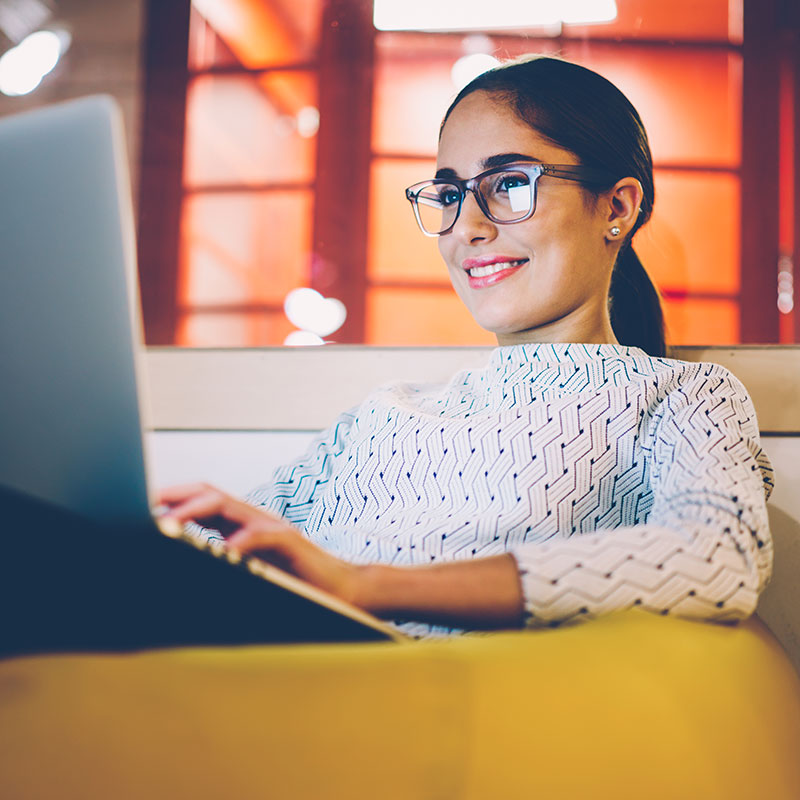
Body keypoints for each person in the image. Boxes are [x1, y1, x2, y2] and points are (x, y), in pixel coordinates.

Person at [158, 56, 774, 636]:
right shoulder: (383, 418)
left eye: (508, 182)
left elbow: (718, 556)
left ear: (617, 206)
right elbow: (214, 556)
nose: (469, 228)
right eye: (451, 194)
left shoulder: (682, 396)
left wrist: (366, 585)